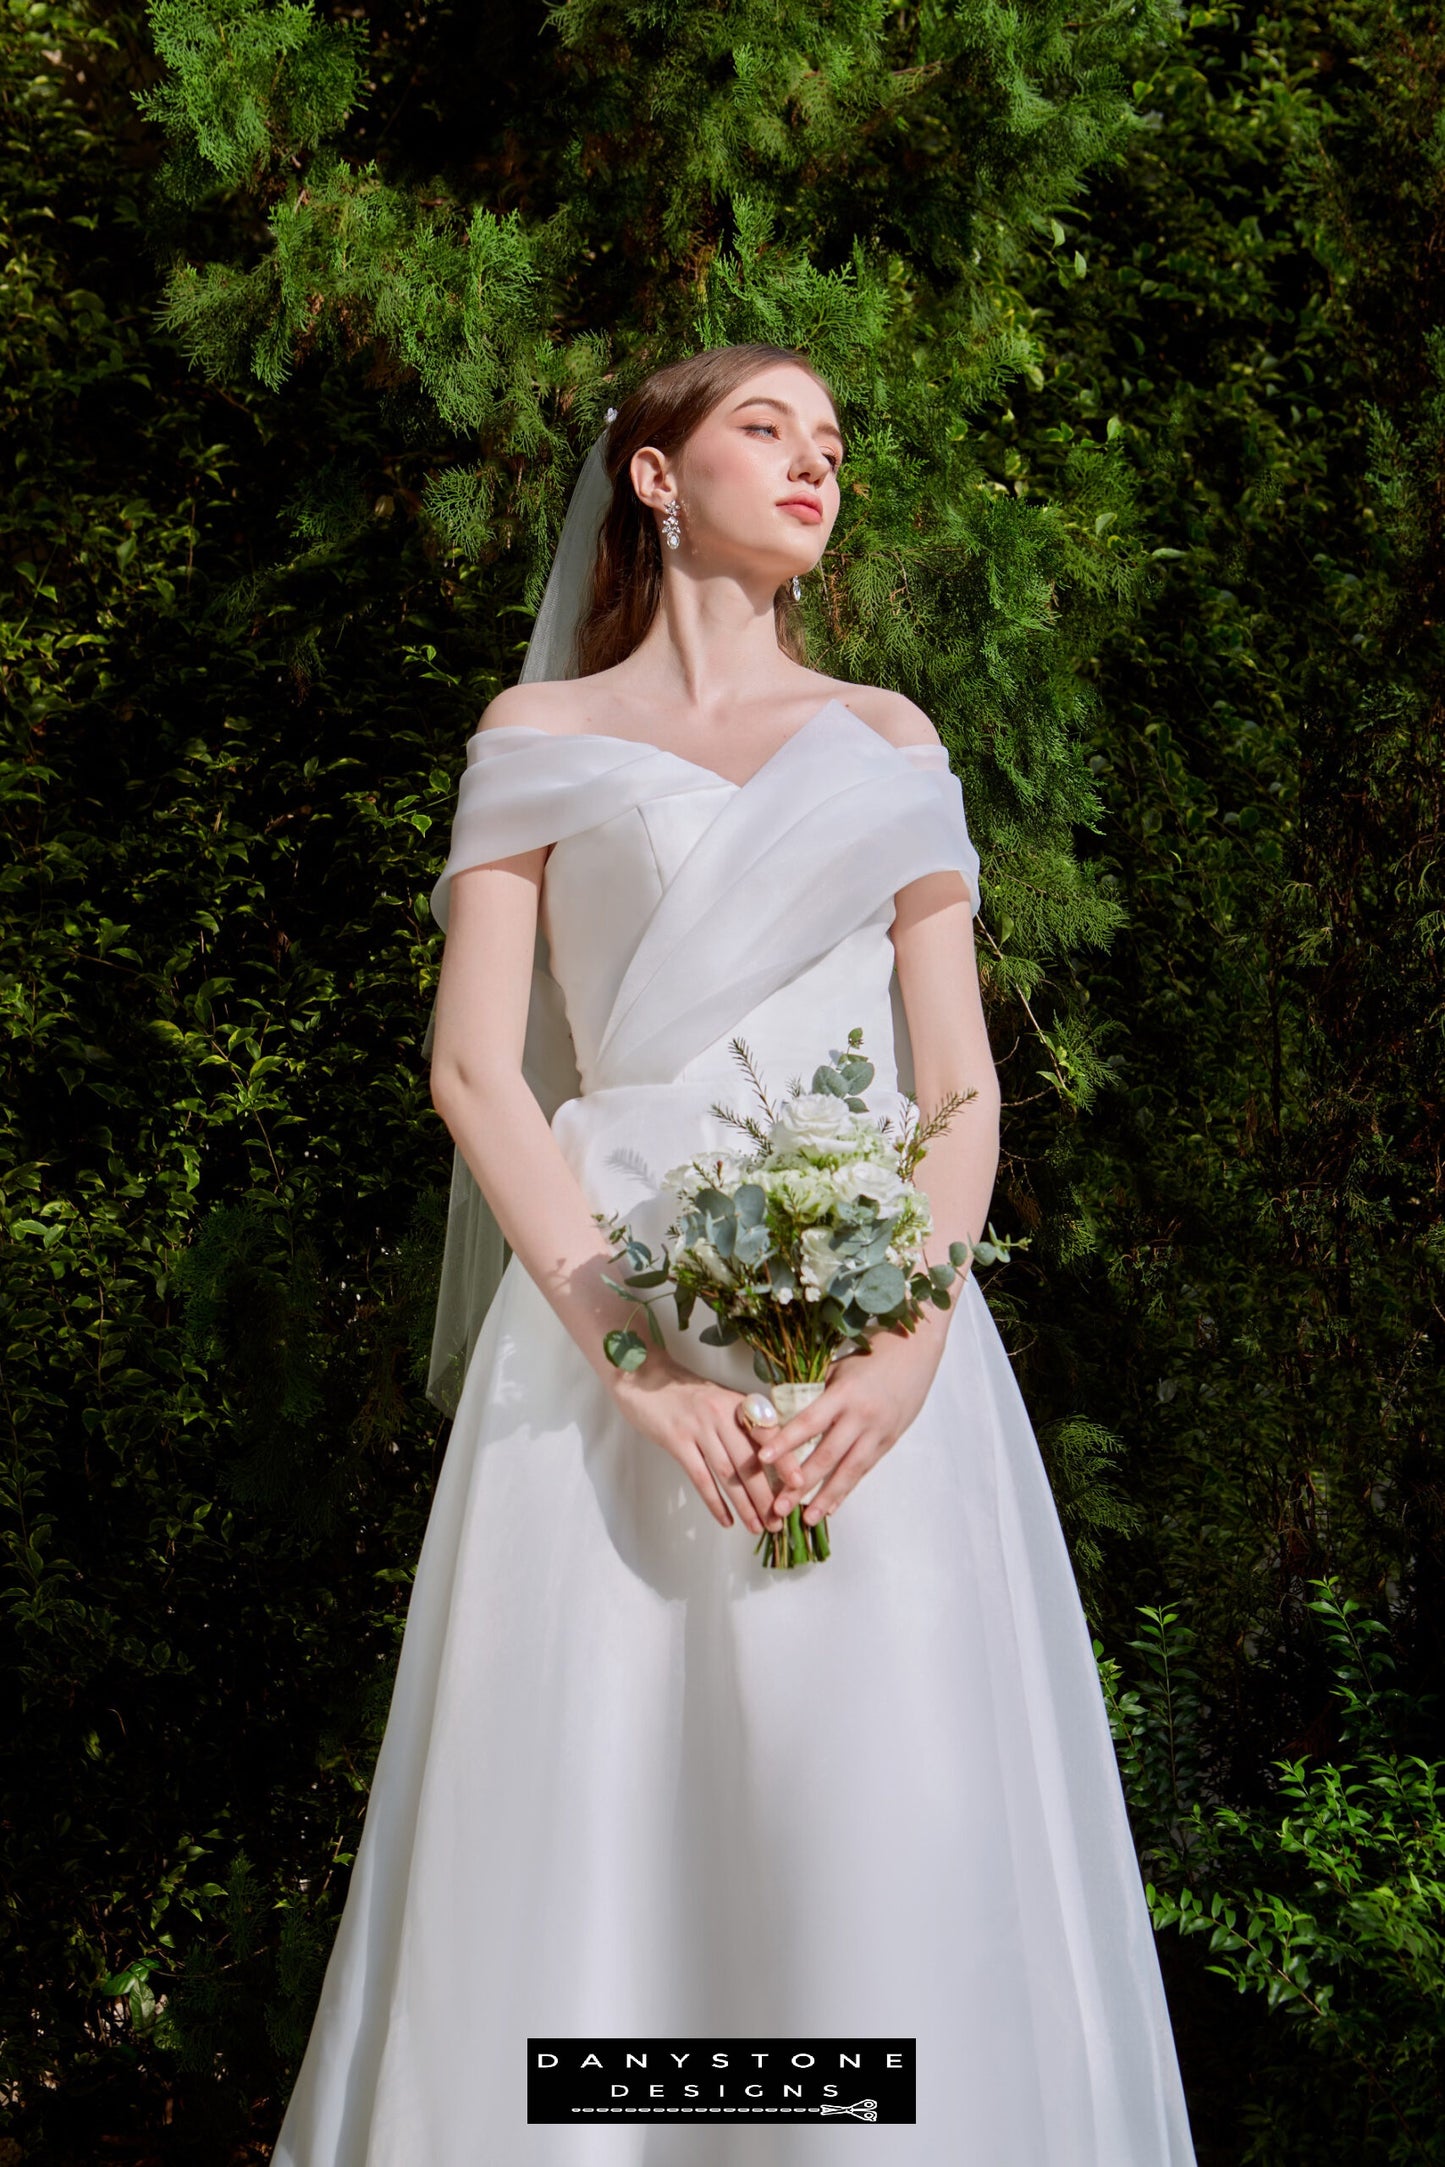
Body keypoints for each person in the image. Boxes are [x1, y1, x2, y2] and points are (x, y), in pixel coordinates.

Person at [271, 343, 1198, 2163]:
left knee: (872, 1790)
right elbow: (474, 1067)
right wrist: (635, 1367)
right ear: (651, 476)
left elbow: (958, 1088)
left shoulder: (891, 738)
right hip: (611, 1329)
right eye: (763, 428)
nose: (811, 463)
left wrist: (908, 1351)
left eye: (833, 442)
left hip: (871, 1348)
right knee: (596, 1797)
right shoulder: (535, 739)